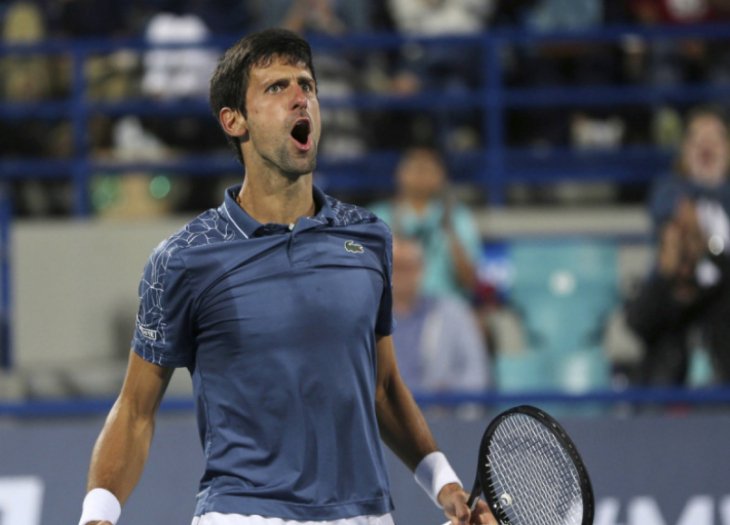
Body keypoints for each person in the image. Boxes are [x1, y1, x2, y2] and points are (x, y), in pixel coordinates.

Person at [78, 29, 494, 525]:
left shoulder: (369, 237)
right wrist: (96, 516)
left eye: (308, 85)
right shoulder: (183, 258)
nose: (301, 98)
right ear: (234, 120)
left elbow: (382, 386)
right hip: (243, 513)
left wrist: (445, 484)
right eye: (277, 87)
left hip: (364, 513)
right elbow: (135, 410)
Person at [626, 106, 730, 386]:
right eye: (696, 136)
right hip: (673, 359)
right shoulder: (667, 195)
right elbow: (640, 323)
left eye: (715, 136)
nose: (705, 143)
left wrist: (708, 245)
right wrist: (671, 269)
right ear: (684, 150)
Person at [369, 147, 482, 300]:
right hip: (395, 305)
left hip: (445, 303)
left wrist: (451, 235)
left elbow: (471, 281)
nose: (420, 175)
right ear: (398, 174)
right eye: (415, 168)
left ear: (441, 176)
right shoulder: (377, 217)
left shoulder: (457, 217)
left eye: (428, 169)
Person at [392, 237, 490, 393]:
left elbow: (476, 373)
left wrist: (451, 397)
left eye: (407, 267)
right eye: (394, 267)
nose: (400, 275)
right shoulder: (363, 318)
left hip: (439, 408)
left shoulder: (454, 313)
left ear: (421, 269)